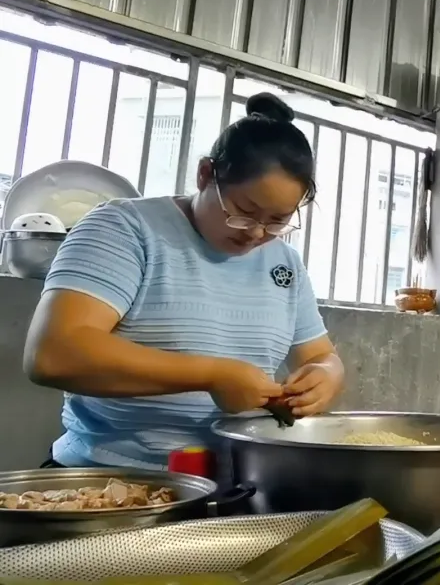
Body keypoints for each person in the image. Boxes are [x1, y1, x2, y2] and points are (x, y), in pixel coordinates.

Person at [23, 93, 344, 470]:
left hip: (232, 482)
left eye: (278, 221)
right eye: (243, 212)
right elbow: (53, 354)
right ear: (206, 174)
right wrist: (211, 375)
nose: (256, 233)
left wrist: (326, 375)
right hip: (111, 479)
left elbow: (320, 355)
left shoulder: (284, 263)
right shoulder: (125, 229)